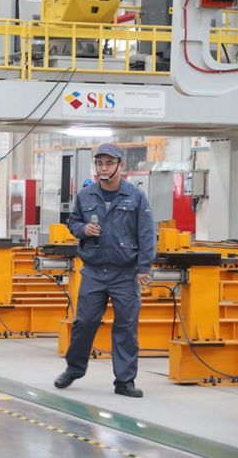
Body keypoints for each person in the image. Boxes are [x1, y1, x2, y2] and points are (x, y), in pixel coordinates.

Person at [55, 143, 155, 398]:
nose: (104, 168)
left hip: (125, 273)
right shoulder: (85, 195)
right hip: (94, 271)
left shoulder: (135, 196)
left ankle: (125, 381)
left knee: (126, 327)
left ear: (121, 165)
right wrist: (82, 229)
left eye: (109, 163)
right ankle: (74, 369)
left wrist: (144, 267)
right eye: (100, 163)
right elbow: (73, 222)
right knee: (84, 322)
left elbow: (146, 233)